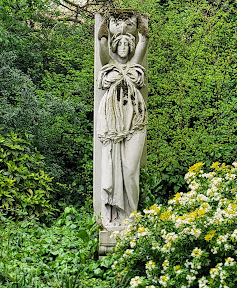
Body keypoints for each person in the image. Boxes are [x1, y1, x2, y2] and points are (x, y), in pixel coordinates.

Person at [96, 13, 149, 225]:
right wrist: (103, 30)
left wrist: (142, 25)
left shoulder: (135, 65)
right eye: (121, 45)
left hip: (135, 120)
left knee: (130, 169)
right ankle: (113, 214)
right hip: (112, 123)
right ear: (116, 47)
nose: (125, 48)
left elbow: (144, 40)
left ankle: (131, 216)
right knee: (113, 167)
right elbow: (102, 48)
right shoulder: (109, 65)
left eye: (129, 44)